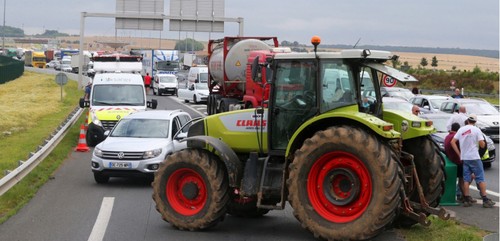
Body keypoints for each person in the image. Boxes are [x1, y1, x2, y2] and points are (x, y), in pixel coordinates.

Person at [450, 114, 495, 208]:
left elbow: (452, 142)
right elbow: (482, 145)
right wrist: (479, 142)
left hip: (465, 158)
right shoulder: (477, 130)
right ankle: (485, 199)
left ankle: (466, 199)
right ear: (475, 121)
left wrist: (459, 153)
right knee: (480, 178)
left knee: (466, 179)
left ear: (468, 120)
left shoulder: (461, 129)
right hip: (474, 157)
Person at [444, 122, 474, 203]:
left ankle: (463, 195)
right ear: (458, 130)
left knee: (464, 179)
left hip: (451, 160)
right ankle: (465, 196)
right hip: (458, 161)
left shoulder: (447, 136)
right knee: (467, 178)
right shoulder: (455, 137)